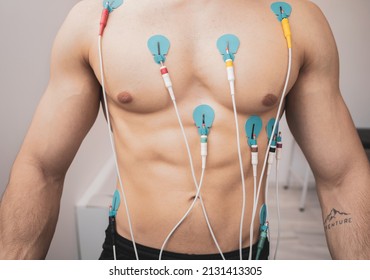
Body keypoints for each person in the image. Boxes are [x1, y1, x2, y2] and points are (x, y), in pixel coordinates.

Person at [0, 0, 369, 260]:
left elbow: (342, 176)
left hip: (241, 259)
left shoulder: (297, 21)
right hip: (129, 257)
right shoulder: (95, 21)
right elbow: (41, 169)